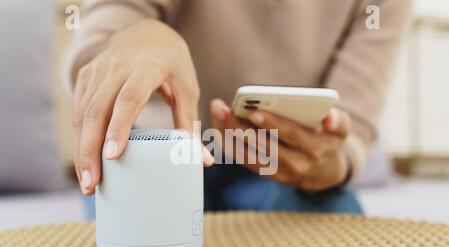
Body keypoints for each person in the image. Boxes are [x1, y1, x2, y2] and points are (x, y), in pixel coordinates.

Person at [65, 0, 411, 217]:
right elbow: (99, 42)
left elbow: (354, 123)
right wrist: (135, 38)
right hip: (157, 148)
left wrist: (329, 164)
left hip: (279, 164)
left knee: (338, 223)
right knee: (138, 237)